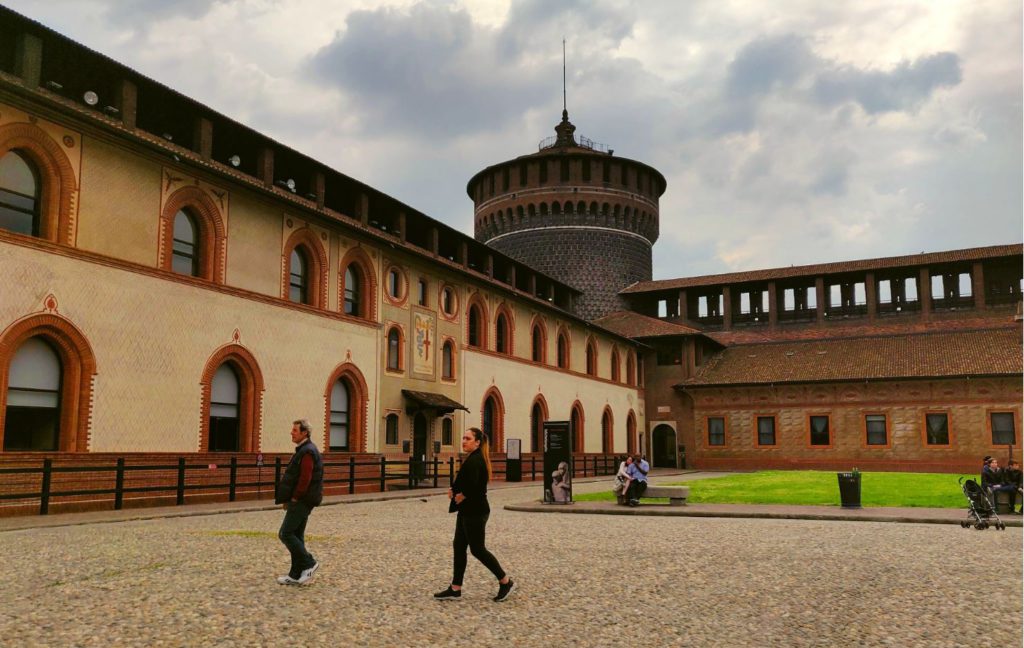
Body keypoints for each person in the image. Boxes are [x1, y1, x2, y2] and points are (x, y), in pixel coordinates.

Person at [434, 427, 515, 602]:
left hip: (476, 512)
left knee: (477, 549)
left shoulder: (476, 460)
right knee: (459, 546)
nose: (464, 441)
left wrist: (463, 495)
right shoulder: (473, 458)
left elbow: (477, 487)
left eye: (468, 438)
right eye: (463, 438)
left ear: (477, 442)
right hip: (467, 511)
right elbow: (468, 481)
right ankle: (455, 588)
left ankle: (505, 581)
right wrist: (454, 490)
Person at [274, 419, 324, 586]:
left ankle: (309, 563)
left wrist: (295, 497)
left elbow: (305, 478)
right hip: (303, 499)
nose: (291, 432)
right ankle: (296, 574)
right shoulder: (304, 450)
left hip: (303, 500)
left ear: (304, 433)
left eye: (295, 430)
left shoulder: (307, 452)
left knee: (285, 533)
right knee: (296, 535)